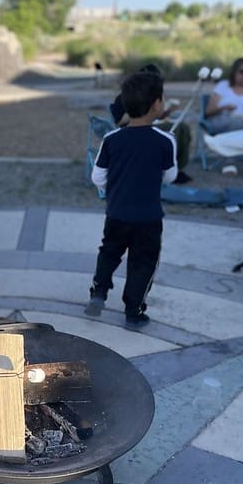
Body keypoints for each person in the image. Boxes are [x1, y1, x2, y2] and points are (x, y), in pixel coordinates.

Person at [84, 71, 179, 330]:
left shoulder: (112, 139)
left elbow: (98, 177)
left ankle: (99, 292)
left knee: (109, 251)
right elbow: (170, 176)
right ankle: (133, 310)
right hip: (148, 218)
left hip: (116, 212)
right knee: (143, 263)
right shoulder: (166, 140)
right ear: (158, 104)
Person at [109, 63, 192, 184]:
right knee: (175, 131)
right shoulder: (126, 96)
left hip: (152, 124)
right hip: (136, 129)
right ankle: (164, 169)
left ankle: (177, 167)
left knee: (183, 128)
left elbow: (158, 115)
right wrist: (141, 111)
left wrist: (168, 110)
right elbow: (120, 121)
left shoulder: (154, 95)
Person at [204, 57, 243, 177]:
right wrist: (224, 107)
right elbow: (208, 111)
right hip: (221, 118)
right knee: (236, 123)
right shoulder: (223, 86)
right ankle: (229, 162)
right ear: (234, 72)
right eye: (242, 71)